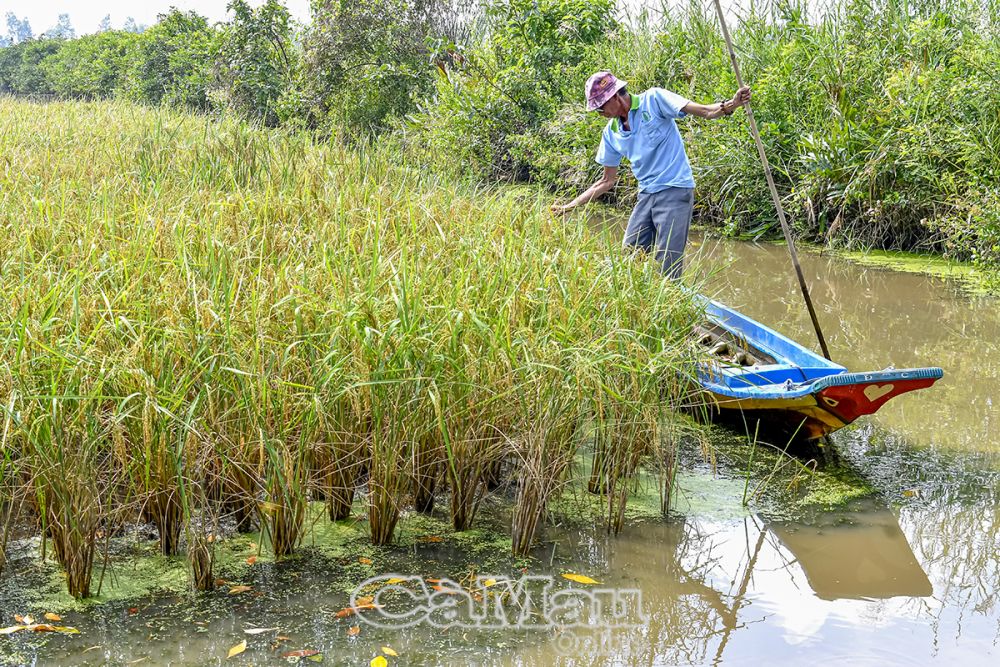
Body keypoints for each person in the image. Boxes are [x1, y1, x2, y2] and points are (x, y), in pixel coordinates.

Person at [551, 71, 751, 278]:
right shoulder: (611, 132)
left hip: (675, 190)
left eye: (600, 106)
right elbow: (605, 181)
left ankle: (673, 301)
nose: (599, 112)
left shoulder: (654, 100)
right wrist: (569, 206)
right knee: (630, 256)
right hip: (646, 195)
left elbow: (705, 111)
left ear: (615, 97)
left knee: (668, 263)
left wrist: (732, 104)